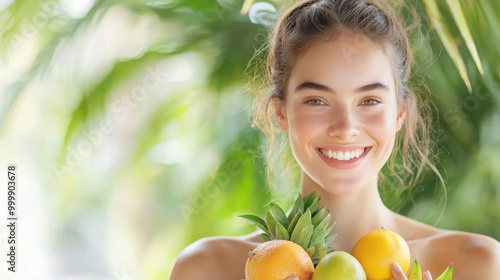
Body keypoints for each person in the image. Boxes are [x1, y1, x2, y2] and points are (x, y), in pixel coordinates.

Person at [170, 0, 500, 279]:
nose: (345, 128)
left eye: (369, 101)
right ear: (280, 112)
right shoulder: (209, 267)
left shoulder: (476, 264)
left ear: (399, 113)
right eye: (317, 100)